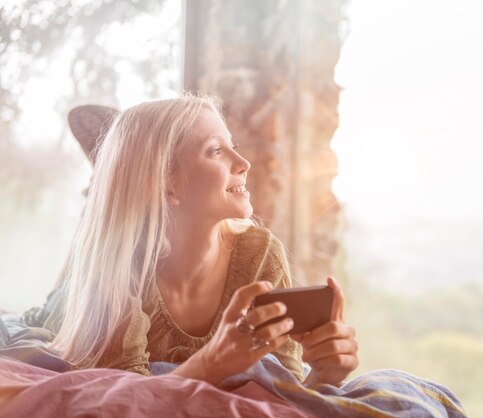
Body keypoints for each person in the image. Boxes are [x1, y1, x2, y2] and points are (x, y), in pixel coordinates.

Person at [44, 93, 359, 387]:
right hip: (78, 294)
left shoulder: (260, 253)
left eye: (232, 145)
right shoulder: (122, 267)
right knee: (53, 309)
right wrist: (210, 363)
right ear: (167, 185)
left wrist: (323, 374)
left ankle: (110, 176)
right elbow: (124, 401)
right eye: (216, 151)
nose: (243, 163)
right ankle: (105, 181)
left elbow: (284, 392)